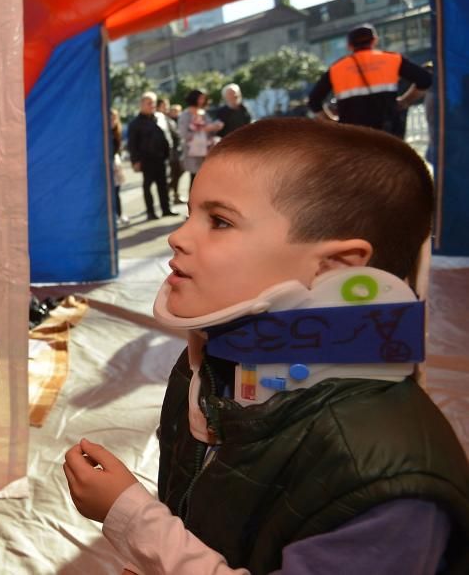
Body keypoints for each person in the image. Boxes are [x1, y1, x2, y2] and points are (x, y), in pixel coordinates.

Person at [64, 118, 469, 574]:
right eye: (190, 213)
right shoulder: (210, 367)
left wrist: (134, 521)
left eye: (218, 220)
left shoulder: (390, 484)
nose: (178, 236)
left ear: (334, 268)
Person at [307, 23, 433, 133]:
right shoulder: (392, 60)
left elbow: (314, 101)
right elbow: (425, 80)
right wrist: (405, 101)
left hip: (354, 136)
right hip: (389, 132)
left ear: (349, 46)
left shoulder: (336, 69)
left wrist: (332, 122)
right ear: (374, 40)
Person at [127, 92, 176, 222]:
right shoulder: (135, 124)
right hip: (146, 160)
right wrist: (135, 161)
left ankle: (166, 209)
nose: (152, 105)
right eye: (149, 103)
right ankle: (150, 212)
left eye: (153, 102)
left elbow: (167, 136)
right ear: (141, 104)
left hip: (161, 158)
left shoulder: (160, 117)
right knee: (147, 186)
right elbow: (132, 144)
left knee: (163, 185)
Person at [177, 89, 222, 184]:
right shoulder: (185, 115)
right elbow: (183, 134)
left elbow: (209, 130)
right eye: (200, 98)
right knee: (195, 179)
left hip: (206, 151)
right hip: (193, 153)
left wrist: (215, 127)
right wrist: (203, 130)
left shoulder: (203, 113)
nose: (203, 101)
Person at [110, 109, 129, 226]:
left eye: (114, 118)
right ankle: (113, 215)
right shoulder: (103, 132)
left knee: (116, 191)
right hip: (106, 165)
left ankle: (119, 214)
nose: (112, 120)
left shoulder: (117, 131)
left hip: (115, 163)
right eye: (110, 118)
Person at [165, 103, 185, 204]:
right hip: (173, 153)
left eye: (179, 111)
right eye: (175, 111)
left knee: (179, 173)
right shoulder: (169, 121)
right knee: (175, 174)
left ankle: (171, 190)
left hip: (180, 152)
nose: (177, 113)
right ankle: (171, 192)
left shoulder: (178, 121)